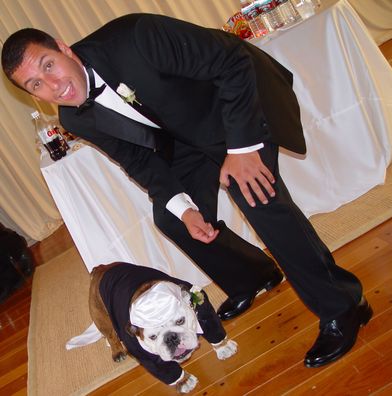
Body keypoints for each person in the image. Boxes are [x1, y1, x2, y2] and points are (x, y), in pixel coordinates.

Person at [1, 13, 371, 368]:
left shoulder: (136, 37)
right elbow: (138, 160)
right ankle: (255, 275)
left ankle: (343, 306)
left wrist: (242, 149)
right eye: (35, 84)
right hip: (186, 139)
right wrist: (184, 208)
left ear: (64, 48)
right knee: (172, 218)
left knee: (257, 195)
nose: (52, 85)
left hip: (236, 104)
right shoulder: (73, 116)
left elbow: (233, 61)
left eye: (47, 65)